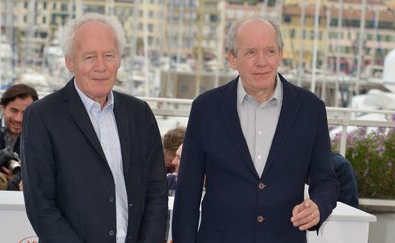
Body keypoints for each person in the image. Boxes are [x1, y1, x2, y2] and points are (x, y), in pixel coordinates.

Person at [172, 17, 339, 243]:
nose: (262, 62)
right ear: (232, 58)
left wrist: (318, 206)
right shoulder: (206, 108)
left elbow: (326, 181)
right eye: (251, 52)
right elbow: (187, 191)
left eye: (270, 51)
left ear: (280, 54)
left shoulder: (311, 109)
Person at [21, 13, 168, 243]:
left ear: (119, 60)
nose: (101, 66)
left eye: (109, 55)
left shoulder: (140, 114)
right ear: (70, 62)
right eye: (89, 57)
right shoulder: (42, 116)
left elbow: (156, 192)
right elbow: (40, 205)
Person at [0, 83, 38, 191]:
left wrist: (21, 178)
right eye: (14, 110)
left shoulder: (40, 140)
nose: (19, 119)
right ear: (3, 108)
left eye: (25, 113)